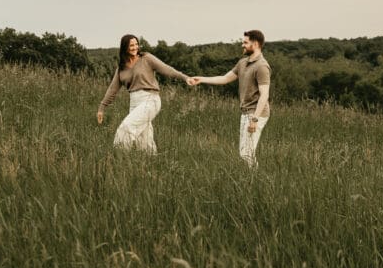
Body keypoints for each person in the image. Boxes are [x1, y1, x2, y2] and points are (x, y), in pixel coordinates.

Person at [97, 34, 196, 154]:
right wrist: (102, 107)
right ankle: (151, 164)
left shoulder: (146, 58)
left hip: (150, 99)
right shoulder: (121, 68)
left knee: (126, 128)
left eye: (136, 44)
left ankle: (117, 157)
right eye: (131, 45)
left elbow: (166, 69)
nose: (135, 47)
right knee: (144, 142)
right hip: (134, 103)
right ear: (125, 48)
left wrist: (185, 77)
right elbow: (112, 89)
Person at [192, 30, 271, 168]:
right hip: (246, 112)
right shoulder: (243, 63)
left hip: (256, 113)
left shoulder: (262, 66)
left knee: (247, 153)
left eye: (245, 42)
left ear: (256, 44)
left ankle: (255, 182)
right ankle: (252, 181)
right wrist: (201, 79)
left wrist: (255, 119)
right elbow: (225, 78)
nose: (242, 45)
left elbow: (264, 95)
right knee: (244, 153)